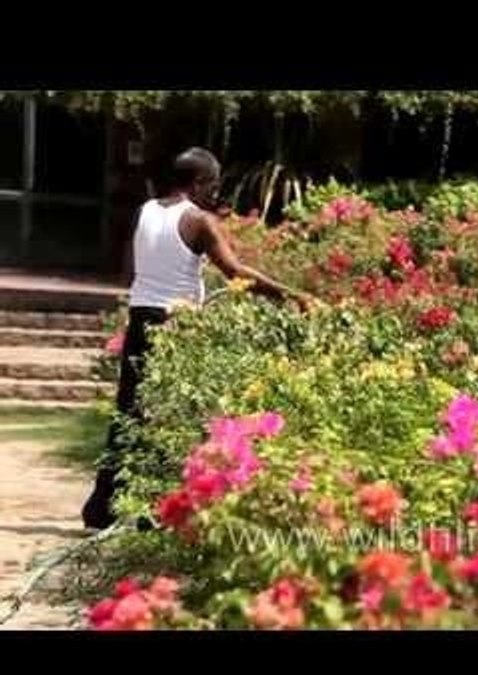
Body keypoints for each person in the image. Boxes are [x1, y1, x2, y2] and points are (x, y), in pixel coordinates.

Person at [81, 147, 313, 529]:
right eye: (213, 184)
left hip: (140, 317)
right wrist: (293, 296)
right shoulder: (198, 220)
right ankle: (151, 510)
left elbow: (132, 267)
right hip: (174, 324)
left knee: (129, 410)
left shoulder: (145, 210)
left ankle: (100, 508)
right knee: (166, 416)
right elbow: (235, 270)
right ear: (200, 182)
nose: (215, 192)